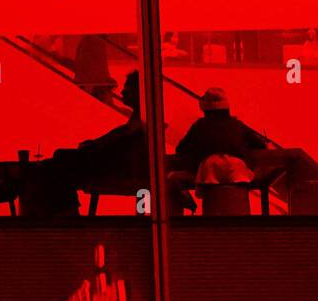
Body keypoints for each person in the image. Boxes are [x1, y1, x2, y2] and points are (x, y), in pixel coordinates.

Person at [24, 71, 147, 216]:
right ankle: (67, 211)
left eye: (128, 88)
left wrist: (93, 147)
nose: (122, 91)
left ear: (139, 92)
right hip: (111, 165)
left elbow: (117, 144)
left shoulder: (138, 124)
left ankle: (65, 212)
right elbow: (117, 141)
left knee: (54, 165)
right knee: (54, 165)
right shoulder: (140, 120)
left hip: (111, 168)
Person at [175, 87, 267, 181]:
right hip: (237, 178)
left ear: (205, 109)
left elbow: (181, 148)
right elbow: (260, 145)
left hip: (208, 178)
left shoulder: (200, 126)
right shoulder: (237, 125)